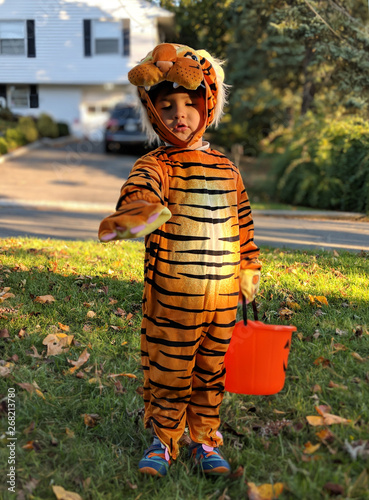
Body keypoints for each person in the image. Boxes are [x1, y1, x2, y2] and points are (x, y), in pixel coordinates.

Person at [98, 43, 261, 477]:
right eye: (166, 106)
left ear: (208, 106)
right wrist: (138, 213)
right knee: (169, 373)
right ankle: (164, 439)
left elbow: (242, 223)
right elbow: (138, 193)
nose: (179, 114)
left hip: (223, 301)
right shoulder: (155, 165)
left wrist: (248, 266)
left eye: (190, 103)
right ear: (152, 113)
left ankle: (205, 439)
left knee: (210, 373)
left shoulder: (228, 169)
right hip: (173, 300)